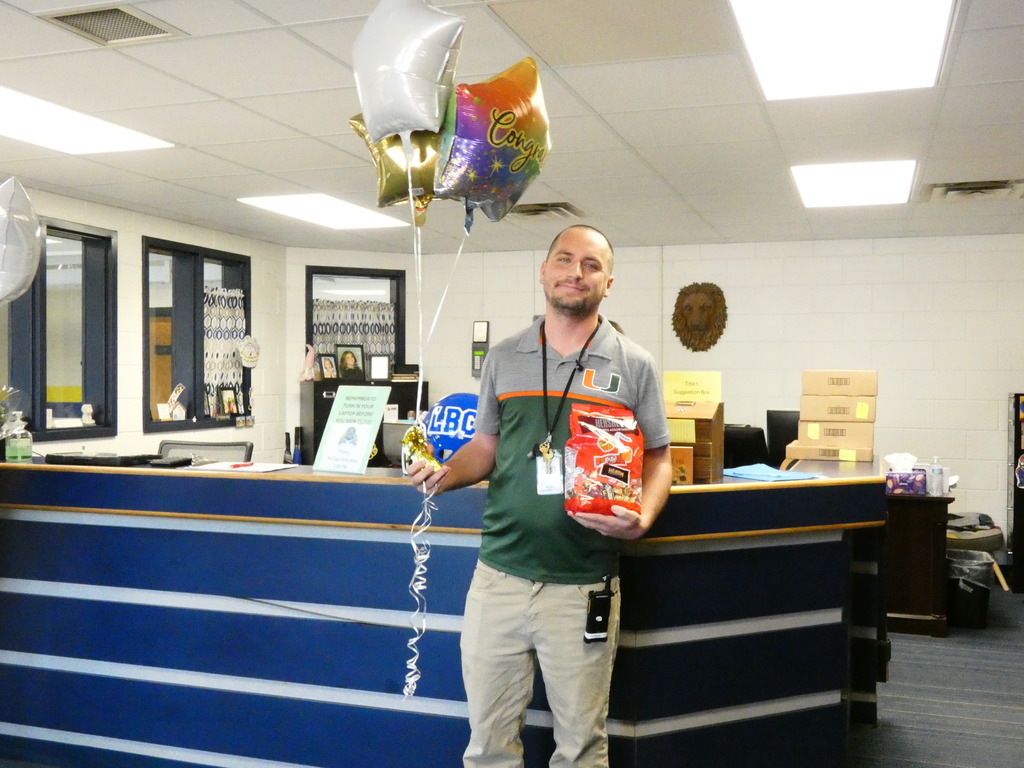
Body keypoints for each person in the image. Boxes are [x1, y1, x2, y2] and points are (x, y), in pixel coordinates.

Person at [407, 224, 673, 768]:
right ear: (544, 270)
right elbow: (485, 448)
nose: (576, 272)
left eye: (591, 265)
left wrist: (643, 514)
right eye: (564, 259)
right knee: (487, 746)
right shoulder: (504, 358)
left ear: (609, 281)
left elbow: (659, 457)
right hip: (498, 580)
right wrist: (441, 473)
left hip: (582, 585)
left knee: (579, 747)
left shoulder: (634, 363)